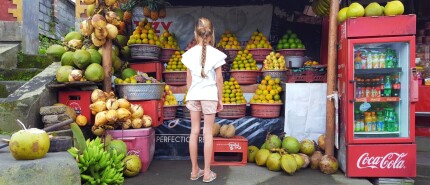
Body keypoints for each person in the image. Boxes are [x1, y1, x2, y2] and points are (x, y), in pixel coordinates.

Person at [181, 17, 226, 183]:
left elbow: (188, 80)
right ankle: (207, 173)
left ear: (195, 33)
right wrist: (220, 99)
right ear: (212, 33)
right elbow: (219, 79)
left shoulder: (188, 54)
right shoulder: (217, 54)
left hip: (193, 96)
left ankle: (194, 171)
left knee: (193, 132)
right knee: (208, 133)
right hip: (209, 97)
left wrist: (191, 93)